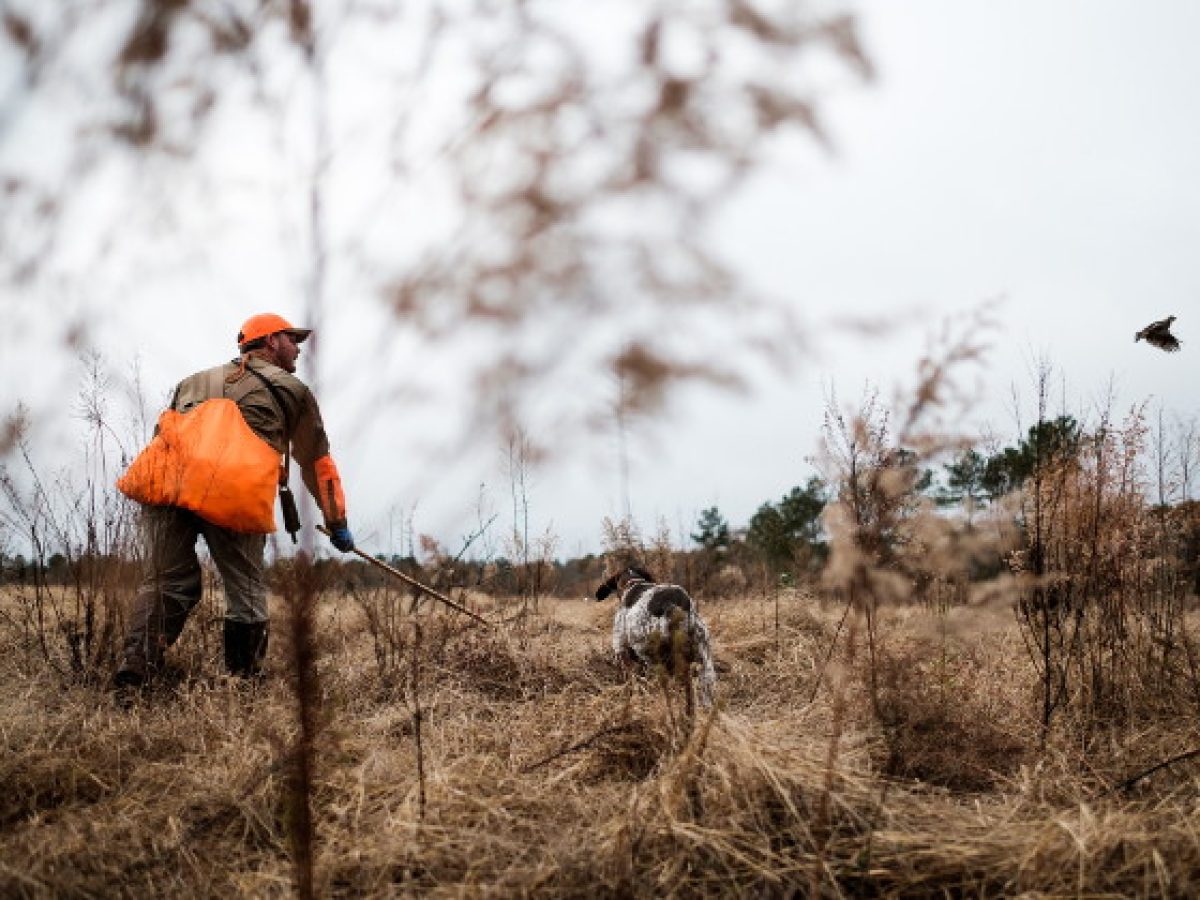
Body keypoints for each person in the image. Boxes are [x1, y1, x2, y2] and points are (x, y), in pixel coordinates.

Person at [112, 313, 354, 693]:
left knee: (167, 583)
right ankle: (244, 685)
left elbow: (162, 432)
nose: (298, 348)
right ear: (271, 341)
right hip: (231, 491)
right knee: (246, 592)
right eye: (293, 340)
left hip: (164, 485)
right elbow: (316, 462)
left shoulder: (192, 381)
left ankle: (134, 670)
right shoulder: (291, 389)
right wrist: (337, 520)